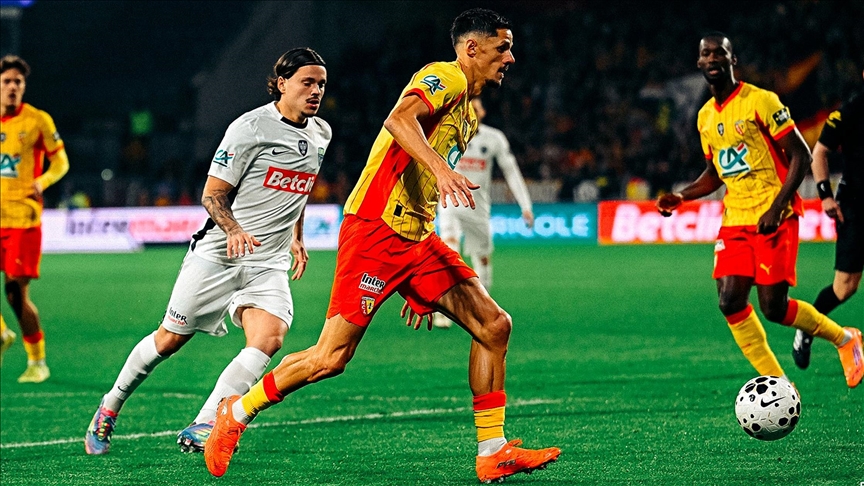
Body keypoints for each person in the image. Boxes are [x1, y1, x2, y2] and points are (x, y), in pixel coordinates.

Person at [204, 9, 560, 483]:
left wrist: (418, 280)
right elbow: (399, 120)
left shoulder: (467, 113)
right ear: (472, 48)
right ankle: (235, 412)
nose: (510, 58)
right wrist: (440, 168)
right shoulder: (447, 76)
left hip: (416, 237)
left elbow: (419, 180)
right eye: (503, 48)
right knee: (331, 358)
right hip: (375, 229)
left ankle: (493, 451)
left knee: (493, 326)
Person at [83, 48, 331, 455]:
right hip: (219, 255)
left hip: (267, 262)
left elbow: (300, 189)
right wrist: (233, 229)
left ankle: (206, 421)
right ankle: (109, 406)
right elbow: (212, 195)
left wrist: (297, 237)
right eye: (308, 82)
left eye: (321, 83)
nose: (316, 90)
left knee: (269, 338)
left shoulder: (321, 133)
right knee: (168, 340)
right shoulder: (249, 128)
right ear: (282, 83)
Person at [656, 33, 863, 388]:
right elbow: (715, 172)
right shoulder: (705, 117)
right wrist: (682, 195)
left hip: (774, 215)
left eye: (719, 53)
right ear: (699, 63)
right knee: (729, 301)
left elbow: (801, 155)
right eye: (706, 54)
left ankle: (845, 339)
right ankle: (778, 383)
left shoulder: (761, 101)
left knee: (774, 307)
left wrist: (778, 205)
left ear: (732, 60)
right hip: (735, 219)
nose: (712, 59)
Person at [433, 97, 533, 329]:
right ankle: (445, 310)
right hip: (450, 202)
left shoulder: (494, 138)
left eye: (475, 108)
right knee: (449, 250)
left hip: (478, 208)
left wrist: (525, 206)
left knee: (483, 258)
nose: (471, 111)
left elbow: (511, 171)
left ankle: (482, 309)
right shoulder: (448, 134)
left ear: (482, 113)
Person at [0, 55, 70, 383]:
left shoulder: (37, 120)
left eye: (18, 81)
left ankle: (37, 360)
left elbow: (61, 162)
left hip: (22, 219)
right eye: (7, 81)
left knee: (15, 293)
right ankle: (2, 334)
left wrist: (43, 181)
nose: (12, 87)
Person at [792, 70, 864, 369]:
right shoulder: (850, 112)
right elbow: (819, 153)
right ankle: (807, 328)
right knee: (845, 287)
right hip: (855, 207)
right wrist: (825, 195)